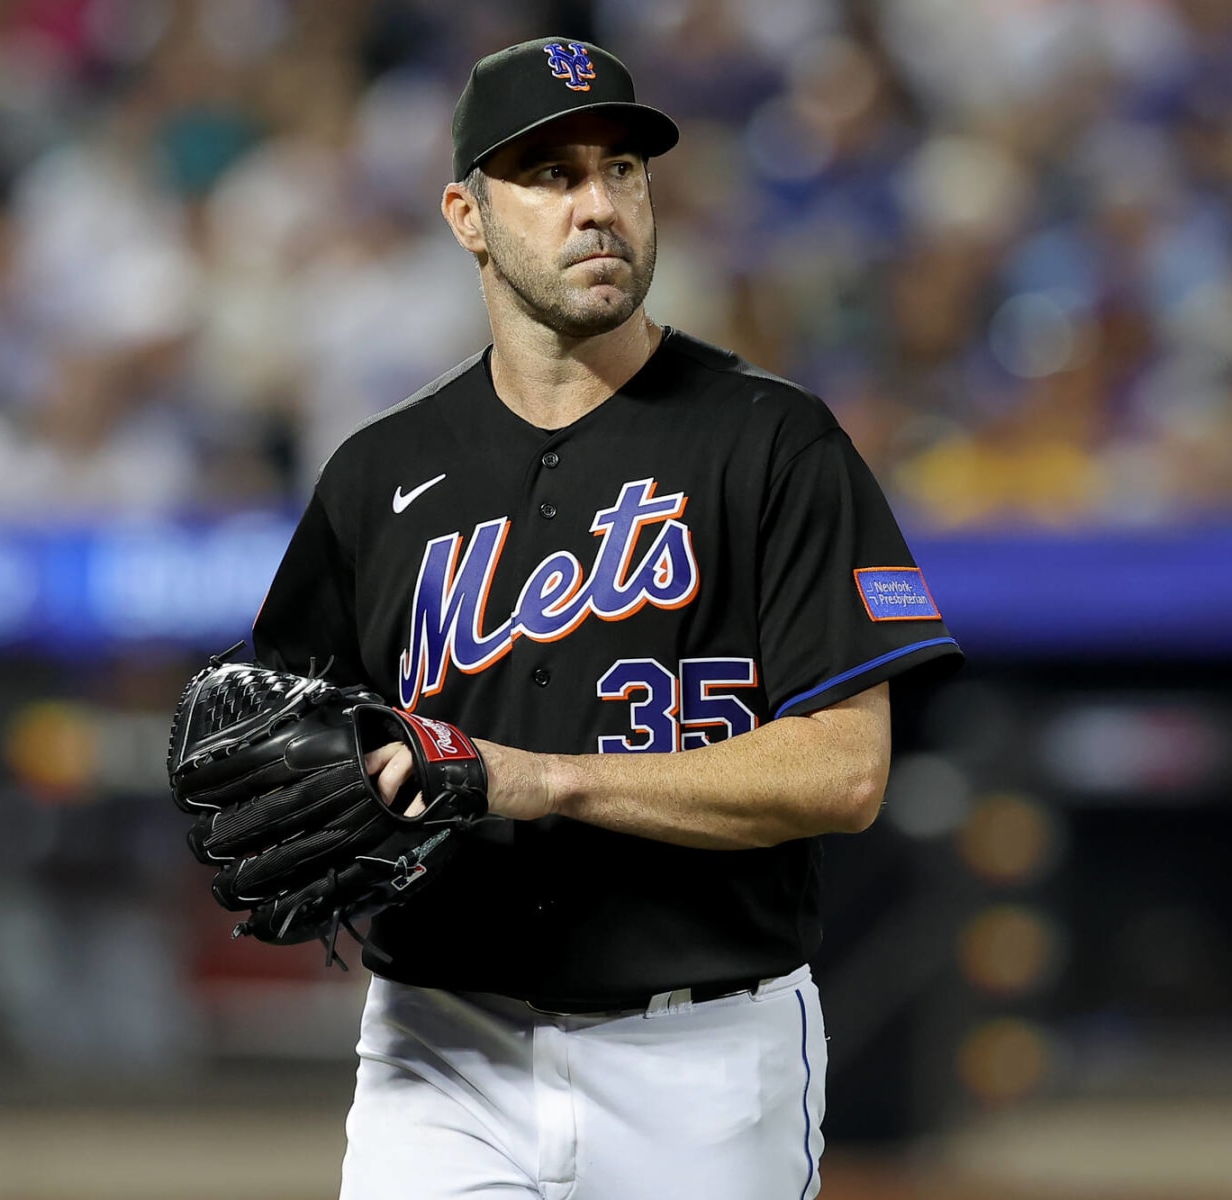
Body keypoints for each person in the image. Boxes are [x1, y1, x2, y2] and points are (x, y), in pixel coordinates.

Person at [250, 36, 963, 1200]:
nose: (597, 206)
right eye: (550, 175)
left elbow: (845, 771)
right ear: (466, 216)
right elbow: (282, 745)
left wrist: (542, 778)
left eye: (620, 169)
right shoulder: (378, 475)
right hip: (442, 1050)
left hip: (702, 1058)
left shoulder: (773, 444)